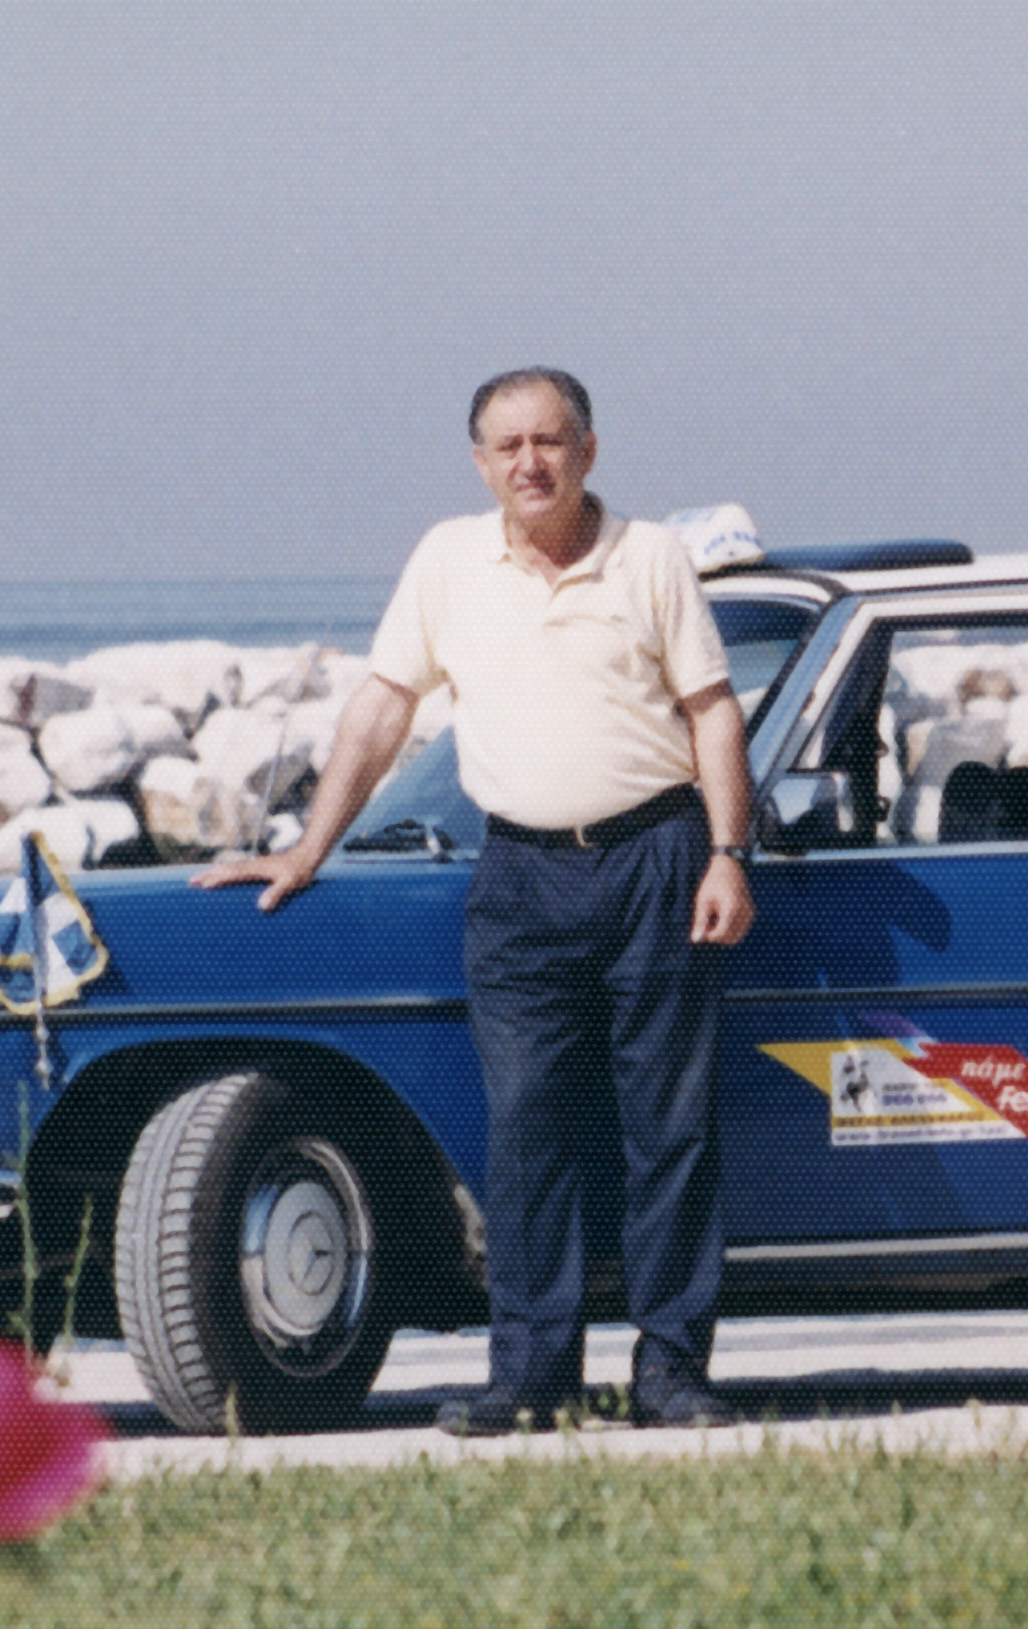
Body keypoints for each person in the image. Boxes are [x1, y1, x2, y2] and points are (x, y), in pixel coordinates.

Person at [193, 367, 756, 1432]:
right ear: (481, 463)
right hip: (518, 876)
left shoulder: (649, 557)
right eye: (508, 447)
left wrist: (729, 854)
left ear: (589, 450)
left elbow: (713, 710)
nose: (530, 463)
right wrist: (306, 848)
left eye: (550, 441)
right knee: (527, 1129)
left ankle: (672, 1373)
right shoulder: (448, 560)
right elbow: (382, 707)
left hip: (658, 861)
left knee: (669, 1128)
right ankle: (531, 1379)